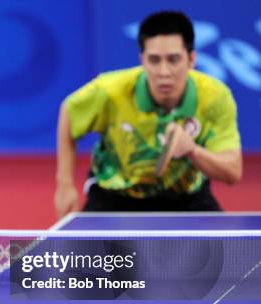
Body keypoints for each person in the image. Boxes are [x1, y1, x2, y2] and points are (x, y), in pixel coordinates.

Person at [54, 10, 242, 218]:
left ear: (191, 59)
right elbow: (69, 112)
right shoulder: (111, 91)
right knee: (80, 250)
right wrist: (65, 185)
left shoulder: (215, 96)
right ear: (142, 59)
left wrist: (192, 151)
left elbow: (232, 172)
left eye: (173, 59)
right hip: (115, 196)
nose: (163, 72)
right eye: (154, 60)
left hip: (186, 196)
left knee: (224, 249)